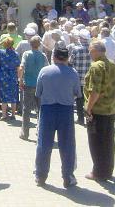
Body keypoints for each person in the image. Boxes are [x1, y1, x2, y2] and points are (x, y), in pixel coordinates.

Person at [34, 45, 81, 187]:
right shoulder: (73, 73)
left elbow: (38, 93)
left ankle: (40, 176)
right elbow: (78, 94)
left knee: (44, 144)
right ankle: (68, 176)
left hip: (47, 109)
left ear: (53, 57)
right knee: (67, 145)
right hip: (66, 110)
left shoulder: (44, 71)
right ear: (67, 58)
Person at [84, 40, 115, 181]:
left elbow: (95, 91)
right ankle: (108, 169)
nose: (89, 54)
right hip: (111, 108)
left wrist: (88, 109)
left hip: (98, 110)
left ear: (96, 51)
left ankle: (98, 171)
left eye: (90, 51)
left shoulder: (96, 67)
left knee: (96, 141)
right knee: (108, 141)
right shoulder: (112, 64)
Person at [18, 36, 48, 140]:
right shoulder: (43, 55)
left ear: (30, 44)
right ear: (39, 44)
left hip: (28, 84)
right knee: (40, 109)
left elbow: (21, 67)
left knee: (26, 109)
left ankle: (25, 133)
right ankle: (40, 132)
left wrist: (20, 80)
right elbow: (47, 69)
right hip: (40, 85)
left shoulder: (26, 54)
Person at [0, 38, 21, 120]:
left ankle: (4, 115)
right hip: (13, 77)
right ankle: (13, 115)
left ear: (4, 44)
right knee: (13, 96)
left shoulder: (1, 53)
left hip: (3, 77)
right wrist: (19, 77)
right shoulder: (16, 54)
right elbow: (18, 67)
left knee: (3, 96)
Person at [69, 30, 92, 124]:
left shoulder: (76, 49)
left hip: (77, 78)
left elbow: (70, 62)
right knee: (88, 99)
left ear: (81, 38)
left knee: (79, 99)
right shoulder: (92, 49)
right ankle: (88, 116)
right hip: (89, 79)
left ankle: (80, 118)